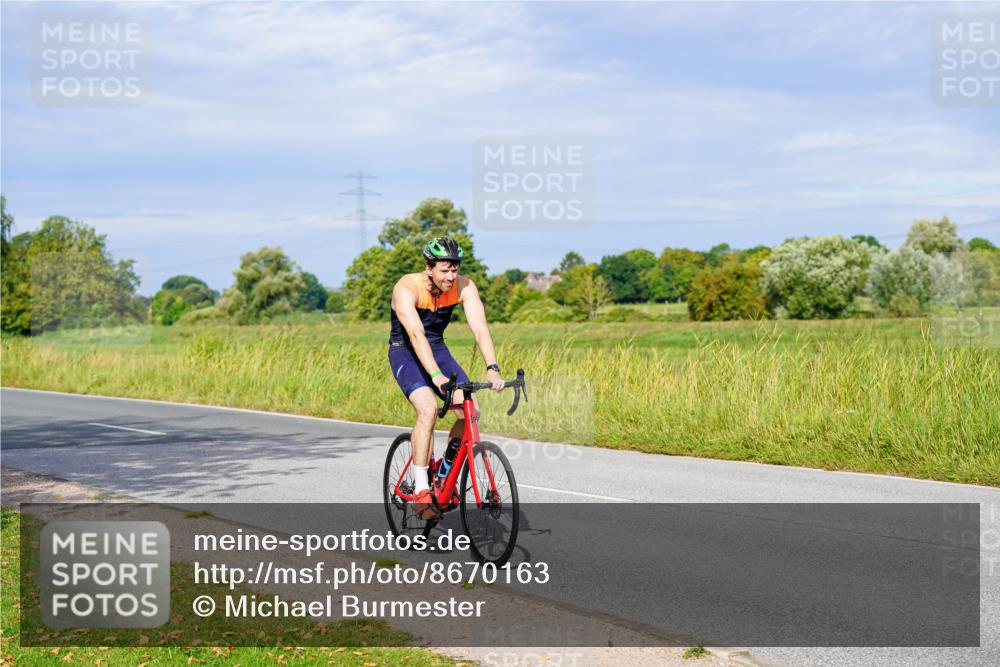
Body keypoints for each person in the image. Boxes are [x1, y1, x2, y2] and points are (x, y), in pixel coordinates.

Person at [388, 237, 504, 519]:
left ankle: (445, 470)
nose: (451, 277)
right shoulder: (407, 287)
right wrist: (436, 376)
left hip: (437, 348)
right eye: (444, 270)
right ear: (429, 268)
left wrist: (493, 367)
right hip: (405, 351)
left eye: (455, 269)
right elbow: (415, 334)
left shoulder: (465, 286)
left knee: (470, 410)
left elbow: (480, 329)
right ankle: (421, 489)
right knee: (427, 409)